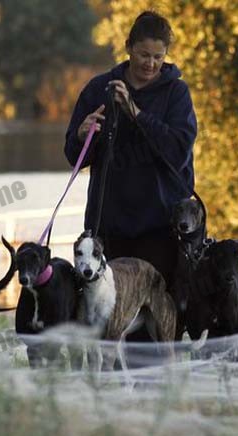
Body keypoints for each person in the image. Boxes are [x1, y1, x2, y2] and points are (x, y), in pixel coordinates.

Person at [64, 10, 197, 294]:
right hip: (108, 227)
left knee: (155, 323)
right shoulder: (98, 89)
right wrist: (81, 136)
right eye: (143, 55)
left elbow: (178, 152)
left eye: (158, 57)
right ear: (128, 48)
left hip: (160, 228)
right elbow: (74, 158)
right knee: (107, 320)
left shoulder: (176, 93)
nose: (150, 64)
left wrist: (135, 112)